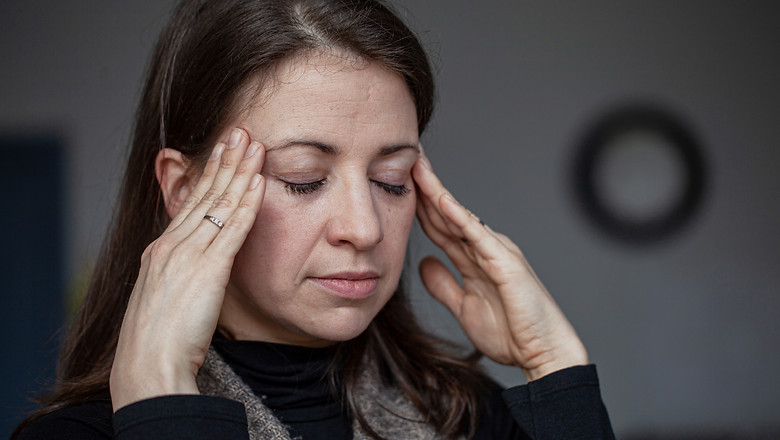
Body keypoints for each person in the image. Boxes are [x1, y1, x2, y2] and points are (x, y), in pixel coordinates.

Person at [13, 0, 615, 439]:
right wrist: (166, 409)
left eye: (391, 181)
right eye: (303, 178)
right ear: (186, 189)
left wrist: (554, 364)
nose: (365, 227)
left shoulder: (468, 418)